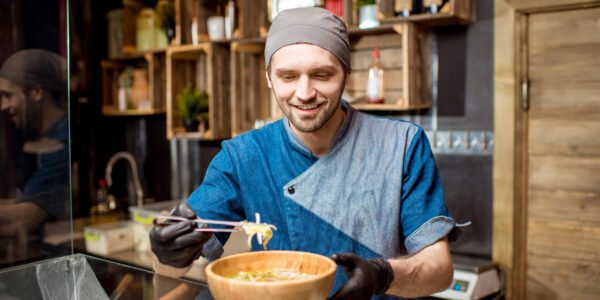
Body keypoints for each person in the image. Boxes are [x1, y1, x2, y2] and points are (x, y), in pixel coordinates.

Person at [150, 7, 457, 299]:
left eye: (322, 75)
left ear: (346, 74)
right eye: (288, 76)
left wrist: (383, 275)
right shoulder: (243, 156)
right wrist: (166, 251)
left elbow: (440, 270)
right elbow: (171, 267)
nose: (305, 93)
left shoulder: (402, 145)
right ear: (269, 77)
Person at [0, 49, 68, 242]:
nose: (3, 106)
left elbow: (20, 220)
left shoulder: (62, 143)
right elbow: (23, 200)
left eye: (8, 95)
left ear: (37, 92)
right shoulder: (43, 140)